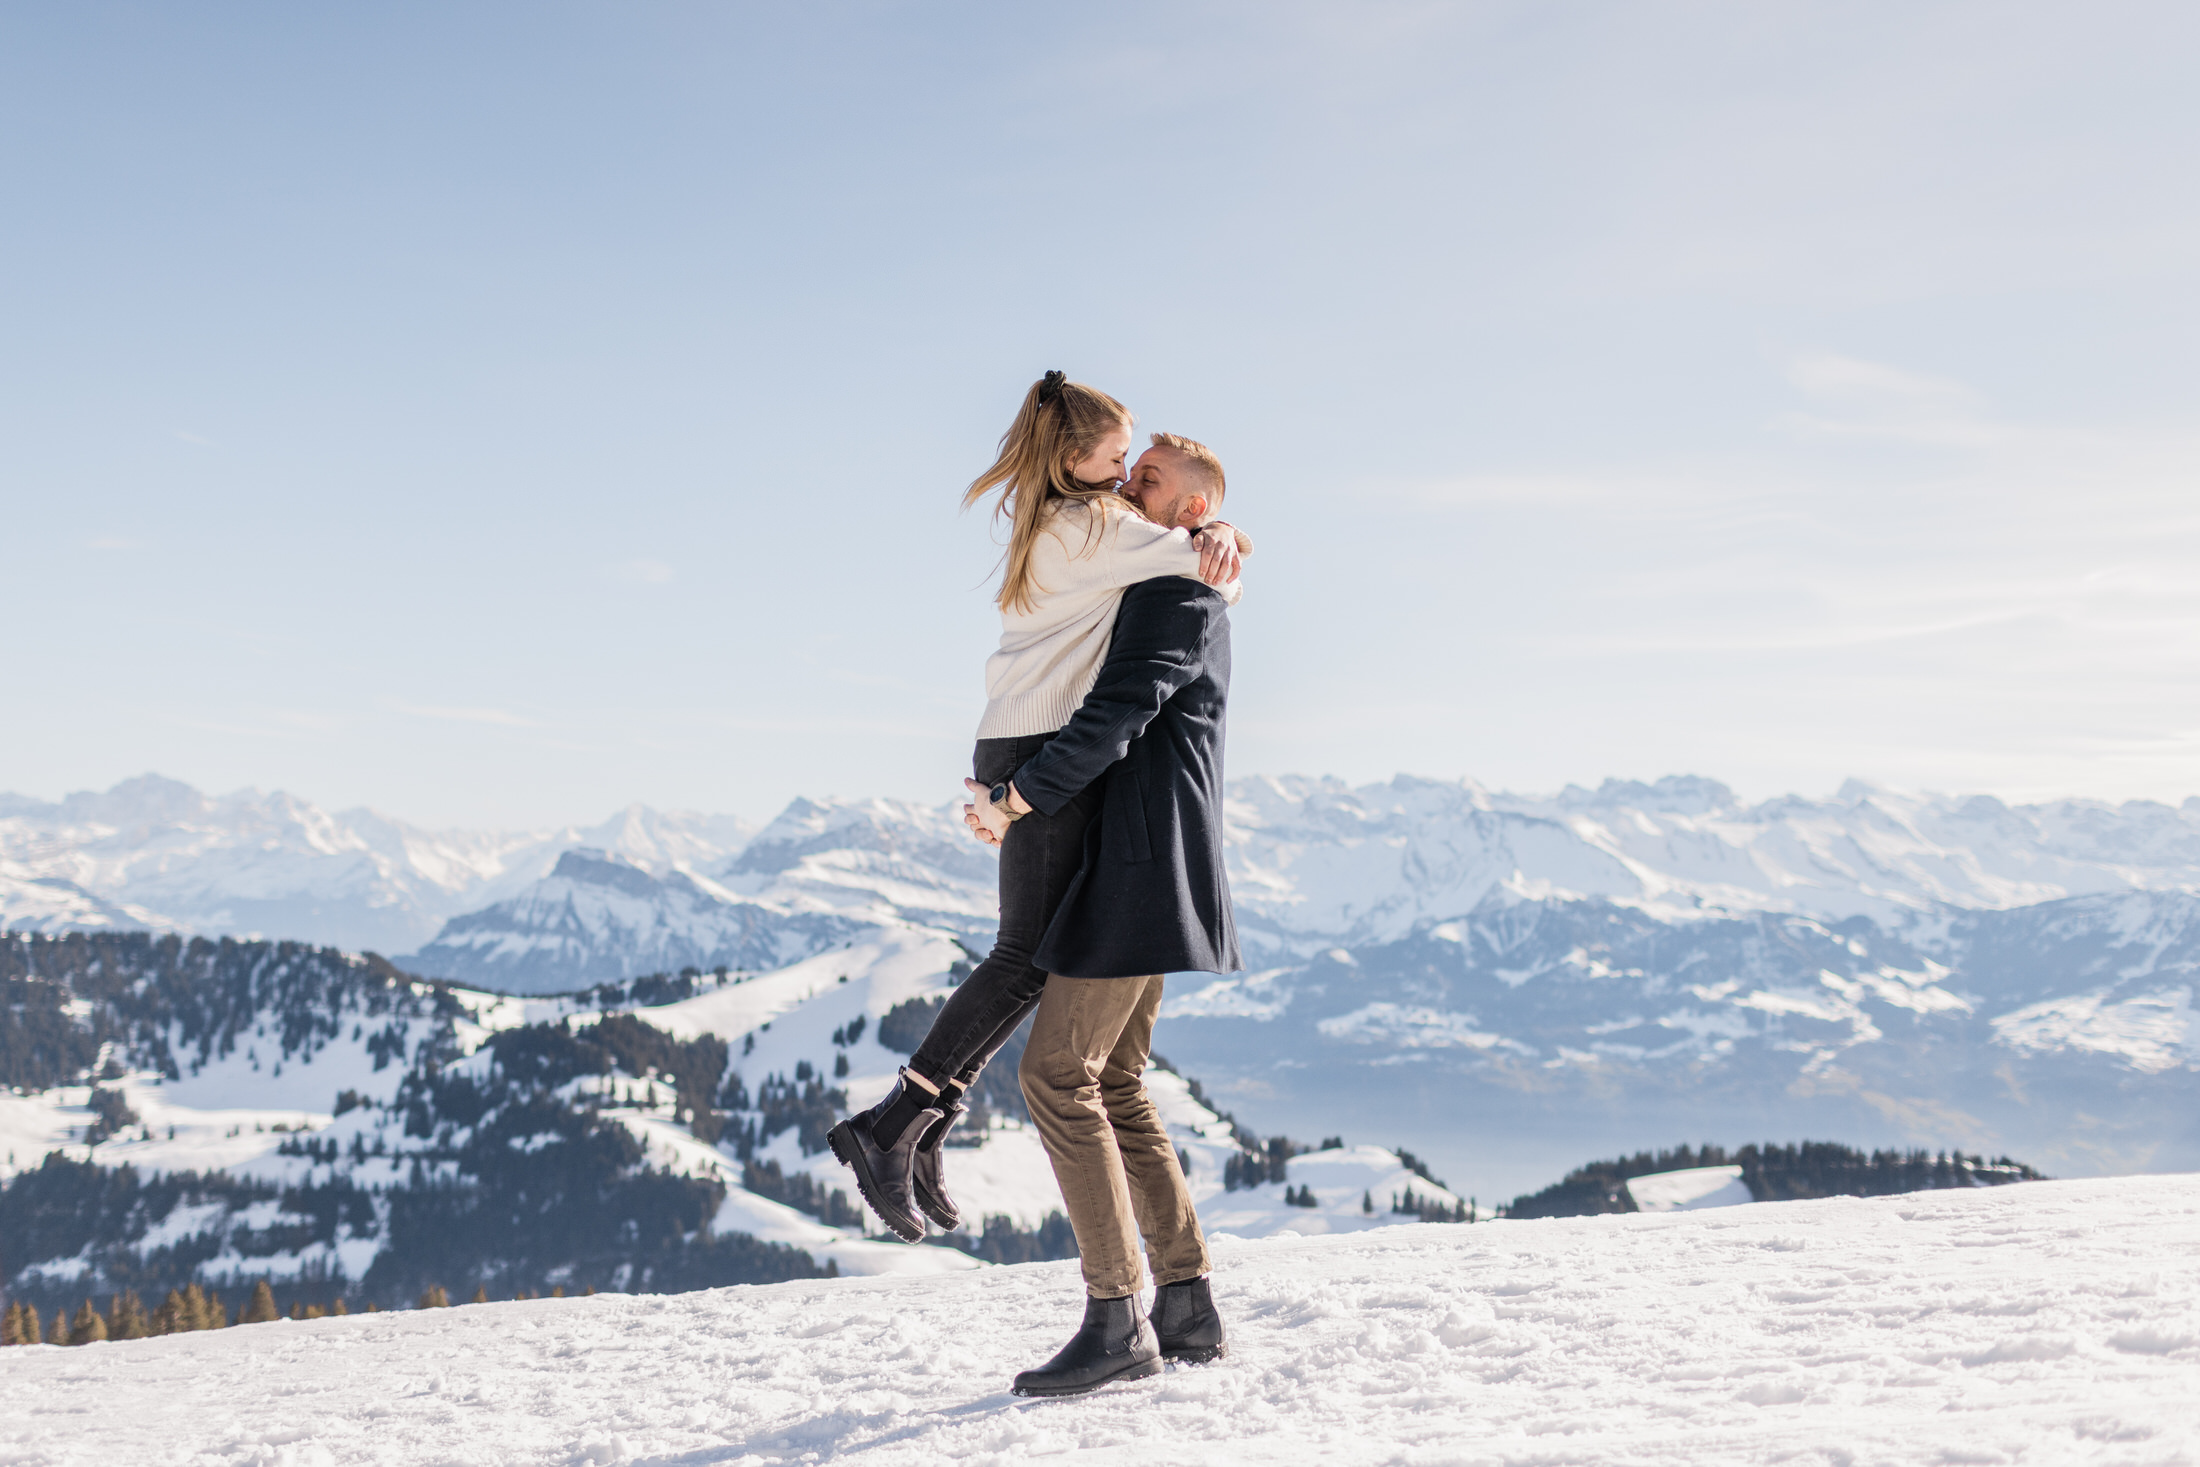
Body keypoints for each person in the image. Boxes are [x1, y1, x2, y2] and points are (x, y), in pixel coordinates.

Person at [826, 372, 1249, 1247]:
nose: (1129, 474)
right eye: (1118, 458)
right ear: (1074, 459)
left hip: (1023, 744)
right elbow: (1203, 577)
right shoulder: (1096, 526)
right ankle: (894, 1126)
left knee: (1030, 957)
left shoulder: (1058, 515)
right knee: (1024, 958)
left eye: (1141, 466)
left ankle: (920, 1126)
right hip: (1037, 752)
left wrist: (1215, 528)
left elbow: (1186, 567)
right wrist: (1225, 539)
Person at [962, 431, 1242, 1397]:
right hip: (1149, 863)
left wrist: (1018, 798)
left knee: (1056, 1074)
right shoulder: (1165, 576)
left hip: (1137, 867)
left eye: (1149, 474)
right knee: (1117, 1080)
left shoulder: (1174, 593)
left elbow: (1116, 713)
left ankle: (1117, 1314)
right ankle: (1188, 1304)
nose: (1130, 478)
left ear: (1193, 509)